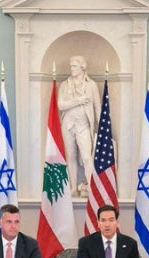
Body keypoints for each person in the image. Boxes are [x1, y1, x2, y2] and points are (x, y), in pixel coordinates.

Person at [58, 55, 101, 196]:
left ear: (82, 67)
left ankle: (91, 187)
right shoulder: (64, 85)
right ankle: (73, 188)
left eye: (74, 66)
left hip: (84, 125)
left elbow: (97, 108)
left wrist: (100, 128)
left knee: (87, 157)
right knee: (70, 156)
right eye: (70, 66)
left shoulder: (91, 85)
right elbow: (60, 105)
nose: (71, 69)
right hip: (68, 125)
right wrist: (78, 100)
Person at [76, 205, 140, 258]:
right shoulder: (86, 243)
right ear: (98, 223)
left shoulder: (130, 244)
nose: (107, 225)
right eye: (103, 220)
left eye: (111, 220)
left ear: (117, 222)